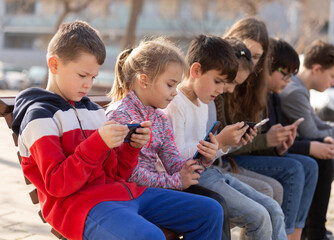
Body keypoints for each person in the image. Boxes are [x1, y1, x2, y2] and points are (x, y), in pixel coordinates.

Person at [10, 21, 223, 240]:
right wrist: (97, 143)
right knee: (149, 236)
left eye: (93, 77)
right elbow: (57, 184)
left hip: (122, 193)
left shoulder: (93, 111)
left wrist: (132, 148)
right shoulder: (39, 117)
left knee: (210, 211)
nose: (88, 85)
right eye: (82, 75)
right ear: (54, 65)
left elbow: (116, 173)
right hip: (79, 207)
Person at [106, 38, 231, 240]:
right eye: (170, 85)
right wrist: (175, 182)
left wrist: (204, 158)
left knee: (213, 208)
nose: (175, 92)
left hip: (152, 193)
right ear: (144, 80)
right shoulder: (121, 115)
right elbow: (129, 174)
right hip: (126, 194)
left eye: (176, 85)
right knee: (210, 210)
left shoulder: (159, 118)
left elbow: (174, 164)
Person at [164, 34, 287, 240]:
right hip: (192, 181)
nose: (221, 90)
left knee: (273, 208)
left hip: (208, 172)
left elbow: (206, 156)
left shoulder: (203, 103)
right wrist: (219, 141)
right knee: (259, 217)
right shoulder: (175, 104)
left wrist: (227, 144)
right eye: (217, 81)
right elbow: (173, 159)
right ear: (195, 70)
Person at [222, 18, 318, 240]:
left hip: (234, 155)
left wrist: (278, 145)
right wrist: (267, 141)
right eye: (245, 52)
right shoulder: (223, 84)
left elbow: (249, 141)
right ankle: (284, 235)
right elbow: (229, 145)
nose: (249, 61)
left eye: (256, 57)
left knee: (308, 166)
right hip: (225, 160)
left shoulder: (255, 87)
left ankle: (292, 234)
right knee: (293, 170)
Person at [279, 40, 334, 240]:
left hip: (289, 146)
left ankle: (311, 228)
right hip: (280, 149)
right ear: (316, 69)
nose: (333, 83)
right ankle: (315, 231)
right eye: (332, 76)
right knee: (324, 159)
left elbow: (321, 127)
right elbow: (313, 135)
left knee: (327, 155)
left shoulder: (300, 88)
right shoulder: (295, 90)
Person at [208, 37, 284, 205]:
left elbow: (223, 147)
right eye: (232, 82)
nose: (230, 89)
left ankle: (285, 232)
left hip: (220, 163)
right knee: (269, 188)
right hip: (212, 168)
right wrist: (225, 142)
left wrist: (237, 142)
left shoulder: (222, 96)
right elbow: (206, 150)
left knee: (276, 187)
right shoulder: (212, 98)